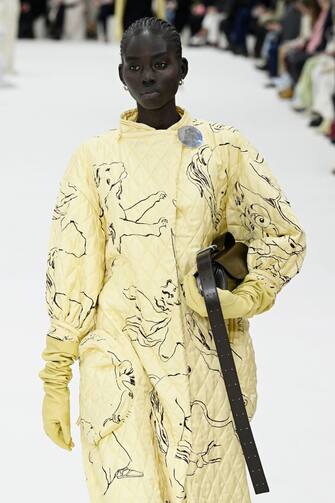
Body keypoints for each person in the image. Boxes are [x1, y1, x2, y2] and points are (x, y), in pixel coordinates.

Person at [38, 16, 306, 503]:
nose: (147, 77)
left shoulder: (224, 146)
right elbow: (72, 261)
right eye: (135, 67)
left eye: (159, 64)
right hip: (118, 351)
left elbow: (279, 233)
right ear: (121, 74)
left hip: (204, 354)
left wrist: (246, 296)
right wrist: (56, 372)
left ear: (182, 68)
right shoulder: (94, 157)